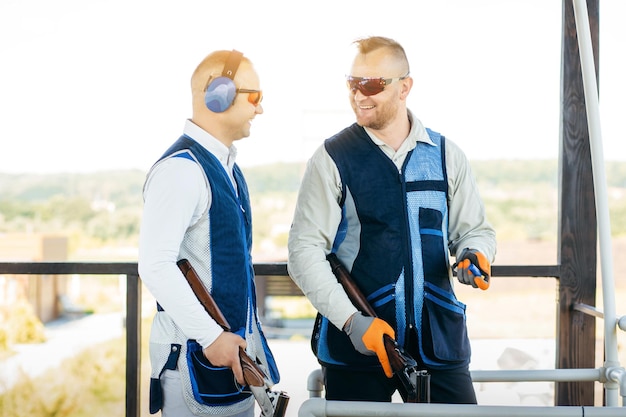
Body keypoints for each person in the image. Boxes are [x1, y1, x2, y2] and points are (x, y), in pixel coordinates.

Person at [287, 36, 496, 404]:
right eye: (352, 83)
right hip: (358, 348)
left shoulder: (448, 155)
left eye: (371, 85)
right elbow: (304, 252)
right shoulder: (331, 157)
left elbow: (475, 231)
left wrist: (475, 253)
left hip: (440, 345)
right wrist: (353, 322)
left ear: (405, 87)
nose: (358, 95)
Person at [138, 49, 279, 417]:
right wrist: (212, 336)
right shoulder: (182, 171)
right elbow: (154, 265)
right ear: (220, 93)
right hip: (195, 366)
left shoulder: (226, 168)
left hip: (224, 366)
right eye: (255, 97)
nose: (260, 109)